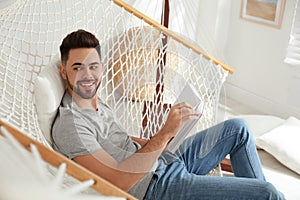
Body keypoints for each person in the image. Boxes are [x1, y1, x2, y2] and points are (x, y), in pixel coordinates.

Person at [52, 29, 285, 200]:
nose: (88, 75)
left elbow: (121, 142)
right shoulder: (71, 125)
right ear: (63, 71)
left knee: (238, 130)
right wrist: (163, 134)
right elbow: (116, 182)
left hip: (162, 163)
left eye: (93, 66)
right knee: (268, 193)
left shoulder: (95, 101)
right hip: (156, 187)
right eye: (77, 67)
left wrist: (167, 138)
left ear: (102, 66)